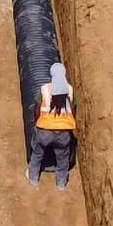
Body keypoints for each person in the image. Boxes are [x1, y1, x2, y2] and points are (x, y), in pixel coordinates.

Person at [28, 62, 77, 190]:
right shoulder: (70, 90)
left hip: (44, 131)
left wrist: (38, 123)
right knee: (62, 158)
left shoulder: (45, 89)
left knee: (37, 153)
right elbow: (72, 110)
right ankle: (61, 183)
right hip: (63, 133)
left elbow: (37, 109)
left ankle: (33, 178)